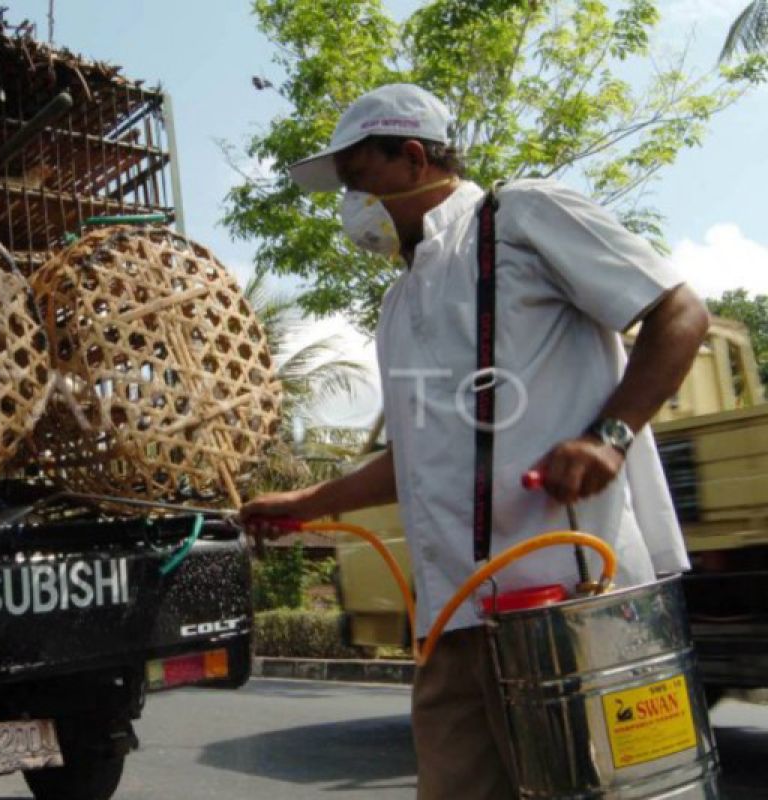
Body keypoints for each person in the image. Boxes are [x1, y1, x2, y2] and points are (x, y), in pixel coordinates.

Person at [241, 83, 710, 800]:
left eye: (359, 180)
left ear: (414, 157)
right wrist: (309, 501)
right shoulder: (399, 304)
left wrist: (607, 439)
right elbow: (418, 460)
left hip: (572, 602)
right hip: (454, 623)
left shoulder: (523, 216)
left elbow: (680, 311)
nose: (351, 203)